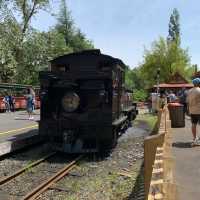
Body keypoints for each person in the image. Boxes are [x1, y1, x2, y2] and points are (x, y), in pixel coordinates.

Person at [187, 78, 200, 145]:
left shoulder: (189, 91)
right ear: (198, 83)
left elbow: (187, 101)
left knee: (193, 124)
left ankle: (195, 139)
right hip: (199, 110)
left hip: (192, 110)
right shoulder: (199, 90)